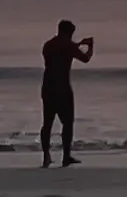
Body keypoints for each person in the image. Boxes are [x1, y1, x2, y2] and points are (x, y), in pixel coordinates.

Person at [37, 19, 96, 166]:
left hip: (48, 87)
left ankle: (46, 156)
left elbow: (62, 50)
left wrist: (77, 44)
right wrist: (90, 46)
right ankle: (66, 156)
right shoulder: (69, 46)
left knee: (47, 123)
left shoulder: (48, 45)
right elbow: (86, 58)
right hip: (63, 88)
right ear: (68, 32)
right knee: (68, 123)